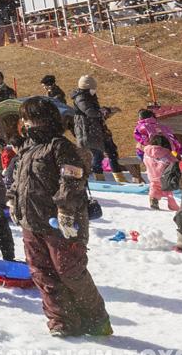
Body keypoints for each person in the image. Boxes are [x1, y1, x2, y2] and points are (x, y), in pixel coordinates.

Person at [9, 95, 111, 338]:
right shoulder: (26, 149)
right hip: (30, 222)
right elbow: (16, 181)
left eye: (31, 118)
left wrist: (65, 209)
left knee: (70, 272)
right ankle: (62, 320)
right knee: (42, 273)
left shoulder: (59, 146)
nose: (27, 123)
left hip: (60, 223)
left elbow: (71, 180)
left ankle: (97, 320)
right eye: (25, 118)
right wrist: (12, 201)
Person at [70, 75, 112, 179]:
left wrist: (103, 110)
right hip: (85, 128)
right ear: (87, 87)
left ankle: (95, 174)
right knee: (93, 153)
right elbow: (90, 112)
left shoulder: (89, 96)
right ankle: (93, 174)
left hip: (92, 128)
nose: (94, 90)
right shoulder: (81, 97)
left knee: (97, 152)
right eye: (93, 88)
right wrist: (101, 112)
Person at [142, 135, 180, 212]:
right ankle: (173, 206)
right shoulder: (166, 153)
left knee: (154, 187)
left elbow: (144, 161)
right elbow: (175, 163)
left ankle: (153, 198)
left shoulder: (146, 153)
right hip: (165, 176)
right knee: (169, 190)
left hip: (152, 175)